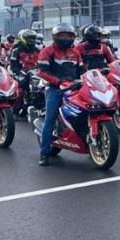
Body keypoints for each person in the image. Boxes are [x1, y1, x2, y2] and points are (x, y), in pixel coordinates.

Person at [37, 23, 83, 166]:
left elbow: (81, 70)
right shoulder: (48, 51)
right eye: (62, 35)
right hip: (55, 89)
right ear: (56, 37)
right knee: (50, 119)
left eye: (68, 35)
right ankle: (43, 153)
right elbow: (41, 71)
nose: (65, 38)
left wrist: (86, 78)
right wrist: (58, 81)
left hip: (74, 86)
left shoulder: (75, 52)